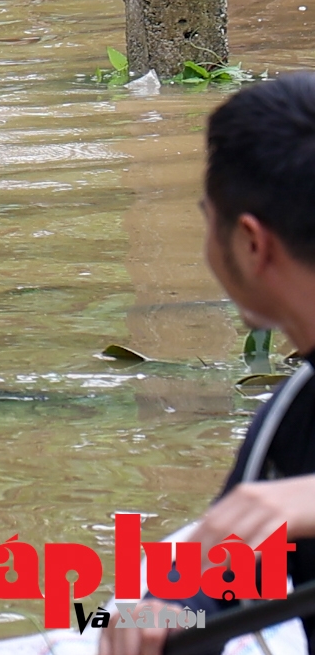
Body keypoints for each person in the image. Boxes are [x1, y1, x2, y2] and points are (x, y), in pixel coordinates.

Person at [99, 74, 315, 653]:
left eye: (205, 218)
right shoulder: (288, 423)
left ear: (250, 242)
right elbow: (209, 592)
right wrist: (152, 620)